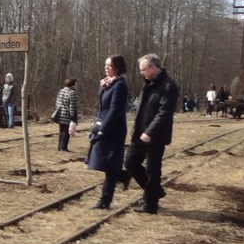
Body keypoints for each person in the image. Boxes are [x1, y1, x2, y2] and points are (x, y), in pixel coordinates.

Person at [124, 53, 178, 214]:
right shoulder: (148, 84)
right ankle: (155, 191)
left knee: (152, 170)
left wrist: (150, 132)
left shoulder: (169, 86)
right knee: (130, 163)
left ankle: (150, 204)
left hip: (155, 136)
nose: (141, 73)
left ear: (153, 67)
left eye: (143, 70)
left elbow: (164, 113)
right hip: (139, 134)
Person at [86, 55, 130, 209]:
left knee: (110, 164)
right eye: (105, 65)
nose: (106, 68)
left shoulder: (120, 85)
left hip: (114, 129)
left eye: (109, 65)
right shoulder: (106, 83)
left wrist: (103, 130)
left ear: (117, 67)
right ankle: (123, 176)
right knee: (102, 162)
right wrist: (96, 126)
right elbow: (102, 107)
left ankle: (105, 201)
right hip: (102, 124)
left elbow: (115, 110)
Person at [55, 78, 78, 151]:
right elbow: (72, 106)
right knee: (66, 131)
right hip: (67, 115)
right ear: (73, 84)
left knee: (61, 130)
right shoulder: (72, 93)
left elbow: (57, 103)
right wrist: (73, 117)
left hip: (60, 114)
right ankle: (63, 147)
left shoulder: (61, 91)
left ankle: (59, 146)